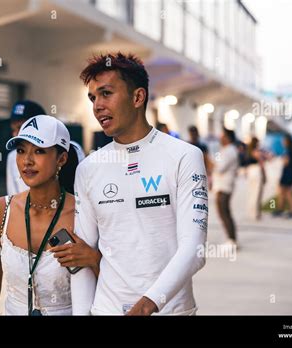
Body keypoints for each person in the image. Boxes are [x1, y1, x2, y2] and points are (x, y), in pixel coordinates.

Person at [70, 52, 207, 316]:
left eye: (106, 93)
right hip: (105, 310)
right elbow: (80, 257)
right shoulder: (88, 168)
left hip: (170, 311)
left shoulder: (184, 156)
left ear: (137, 97)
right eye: (92, 97)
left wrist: (147, 305)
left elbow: (195, 248)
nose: (97, 105)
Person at [0, 115, 101, 315]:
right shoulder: (1, 210)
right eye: (21, 151)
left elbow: (112, 283)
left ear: (61, 159)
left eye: (39, 151)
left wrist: (94, 259)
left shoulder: (83, 212)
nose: (27, 161)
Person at [6, 100, 46, 196]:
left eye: (20, 127)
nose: (15, 134)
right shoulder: (12, 157)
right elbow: (12, 198)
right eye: (13, 129)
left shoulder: (67, 149)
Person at [213, 128, 239, 247]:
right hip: (221, 185)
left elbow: (219, 168)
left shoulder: (230, 151)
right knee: (224, 212)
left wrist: (208, 161)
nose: (220, 137)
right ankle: (231, 239)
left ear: (228, 137)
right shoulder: (226, 150)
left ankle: (232, 240)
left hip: (224, 186)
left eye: (222, 135)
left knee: (224, 212)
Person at [272, 134, 292, 218]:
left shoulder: (288, 151)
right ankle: (281, 209)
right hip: (291, 173)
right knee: (284, 192)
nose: (283, 142)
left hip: (287, 174)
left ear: (287, 141)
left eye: (284, 141)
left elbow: (286, 162)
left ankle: (291, 210)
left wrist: (282, 159)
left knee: (286, 193)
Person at [245, 137, 267, 220]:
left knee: (252, 192)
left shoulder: (248, 151)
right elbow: (261, 164)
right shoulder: (256, 151)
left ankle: (252, 211)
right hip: (257, 171)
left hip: (250, 171)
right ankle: (256, 213)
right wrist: (264, 175)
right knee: (257, 193)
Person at [188, 125, 214, 190]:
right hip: (190, 172)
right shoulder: (187, 145)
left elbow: (207, 160)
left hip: (201, 172)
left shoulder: (202, 146)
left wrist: (210, 175)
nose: (193, 135)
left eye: (194, 133)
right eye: (192, 133)